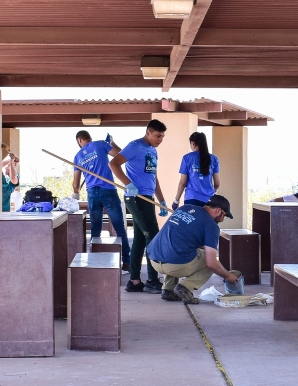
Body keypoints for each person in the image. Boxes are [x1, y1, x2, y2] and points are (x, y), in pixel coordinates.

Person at [110, 119, 170, 294]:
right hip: (135, 197)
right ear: (148, 132)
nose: (160, 140)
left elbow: (154, 177)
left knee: (140, 238)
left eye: (163, 137)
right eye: (158, 136)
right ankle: (152, 279)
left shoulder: (152, 151)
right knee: (152, 235)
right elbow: (113, 164)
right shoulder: (135, 145)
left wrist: (162, 200)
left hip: (148, 198)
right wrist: (128, 184)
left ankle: (134, 281)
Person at [145, 195, 241, 304]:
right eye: (225, 215)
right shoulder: (212, 226)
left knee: (175, 246)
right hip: (174, 265)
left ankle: (168, 290)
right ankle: (185, 287)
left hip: (153, 258)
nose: (223, 219)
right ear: (219, 211)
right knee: (210, 260)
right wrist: (227, 275)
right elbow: (211, 263)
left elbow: (183, 236)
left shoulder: (184, 208)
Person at [72, 130, 130, 266]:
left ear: (80, 140)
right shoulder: (100, 144)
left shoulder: (78, 156)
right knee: (119, 226)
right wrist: (112, 144)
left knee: (95, 228)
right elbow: (121, 155)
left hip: (92, 193)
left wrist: (75, 192)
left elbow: (76, 185)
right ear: (89, 138)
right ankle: (127, 262)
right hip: (108, 190)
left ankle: (94, 262)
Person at [173, 132, 220, 207]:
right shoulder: (214, 159)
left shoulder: (187, 158)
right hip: (209, 201)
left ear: (193, 143)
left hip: (191, 199)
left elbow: (183, 183)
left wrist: (176, 200)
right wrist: (211, 192)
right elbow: (217, 184)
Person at [0, 144, 20, 212]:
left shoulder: (13, 179)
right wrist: (11, 158)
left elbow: (13, 178)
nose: (8, 165)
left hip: (5, 211)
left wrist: (12, 162)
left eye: (11, 165)